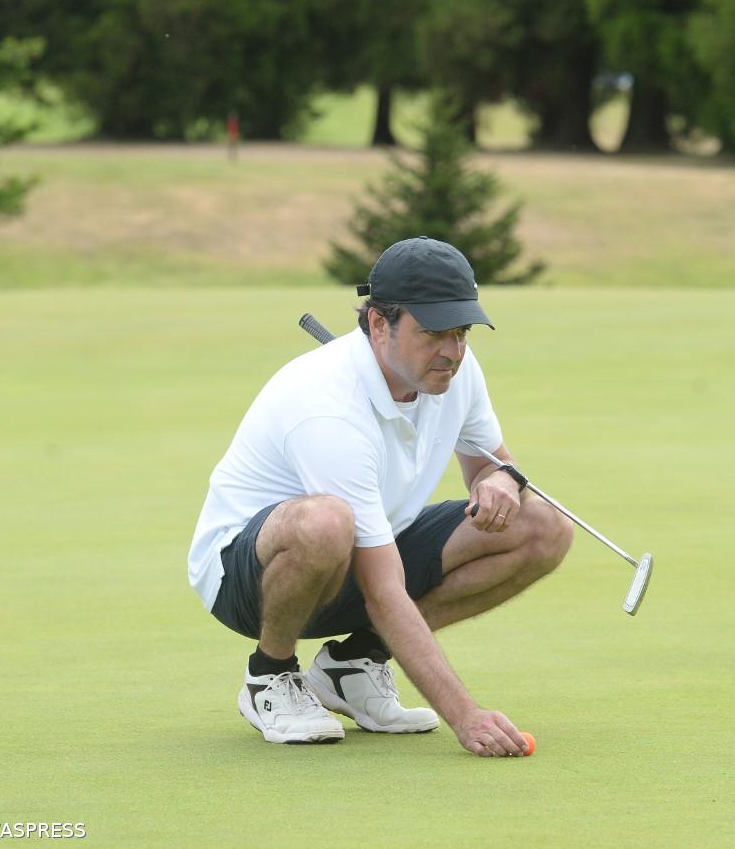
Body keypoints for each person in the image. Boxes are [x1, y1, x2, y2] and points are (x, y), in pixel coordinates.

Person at [187, 236, 573, 756]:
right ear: (377, 324)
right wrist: (466, 715)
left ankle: (354, 666)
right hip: (247, 576)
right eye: (433, 332)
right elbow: (382, 590)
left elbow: (491, 461)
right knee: (326, 523)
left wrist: (500, 479)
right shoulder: (326, 406)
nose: (452, 351)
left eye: (461, 333)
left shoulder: (456, 369)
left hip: (366, 550)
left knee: (544, 525)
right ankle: (270, 675)